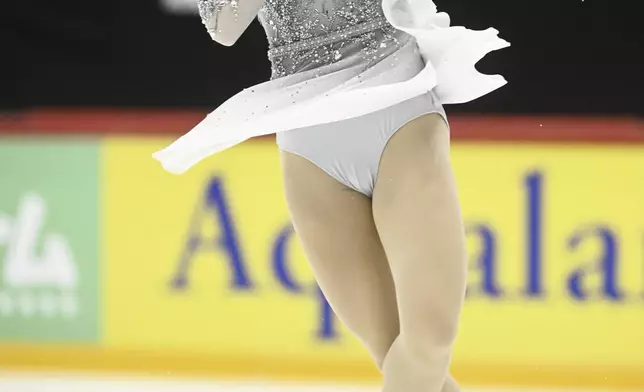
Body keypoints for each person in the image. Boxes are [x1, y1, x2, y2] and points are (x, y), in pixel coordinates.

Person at [153, 0, 509, 390]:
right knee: (398, 355)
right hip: (310, 140)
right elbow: (223, 27)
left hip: (398, 108)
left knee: (429, 343)